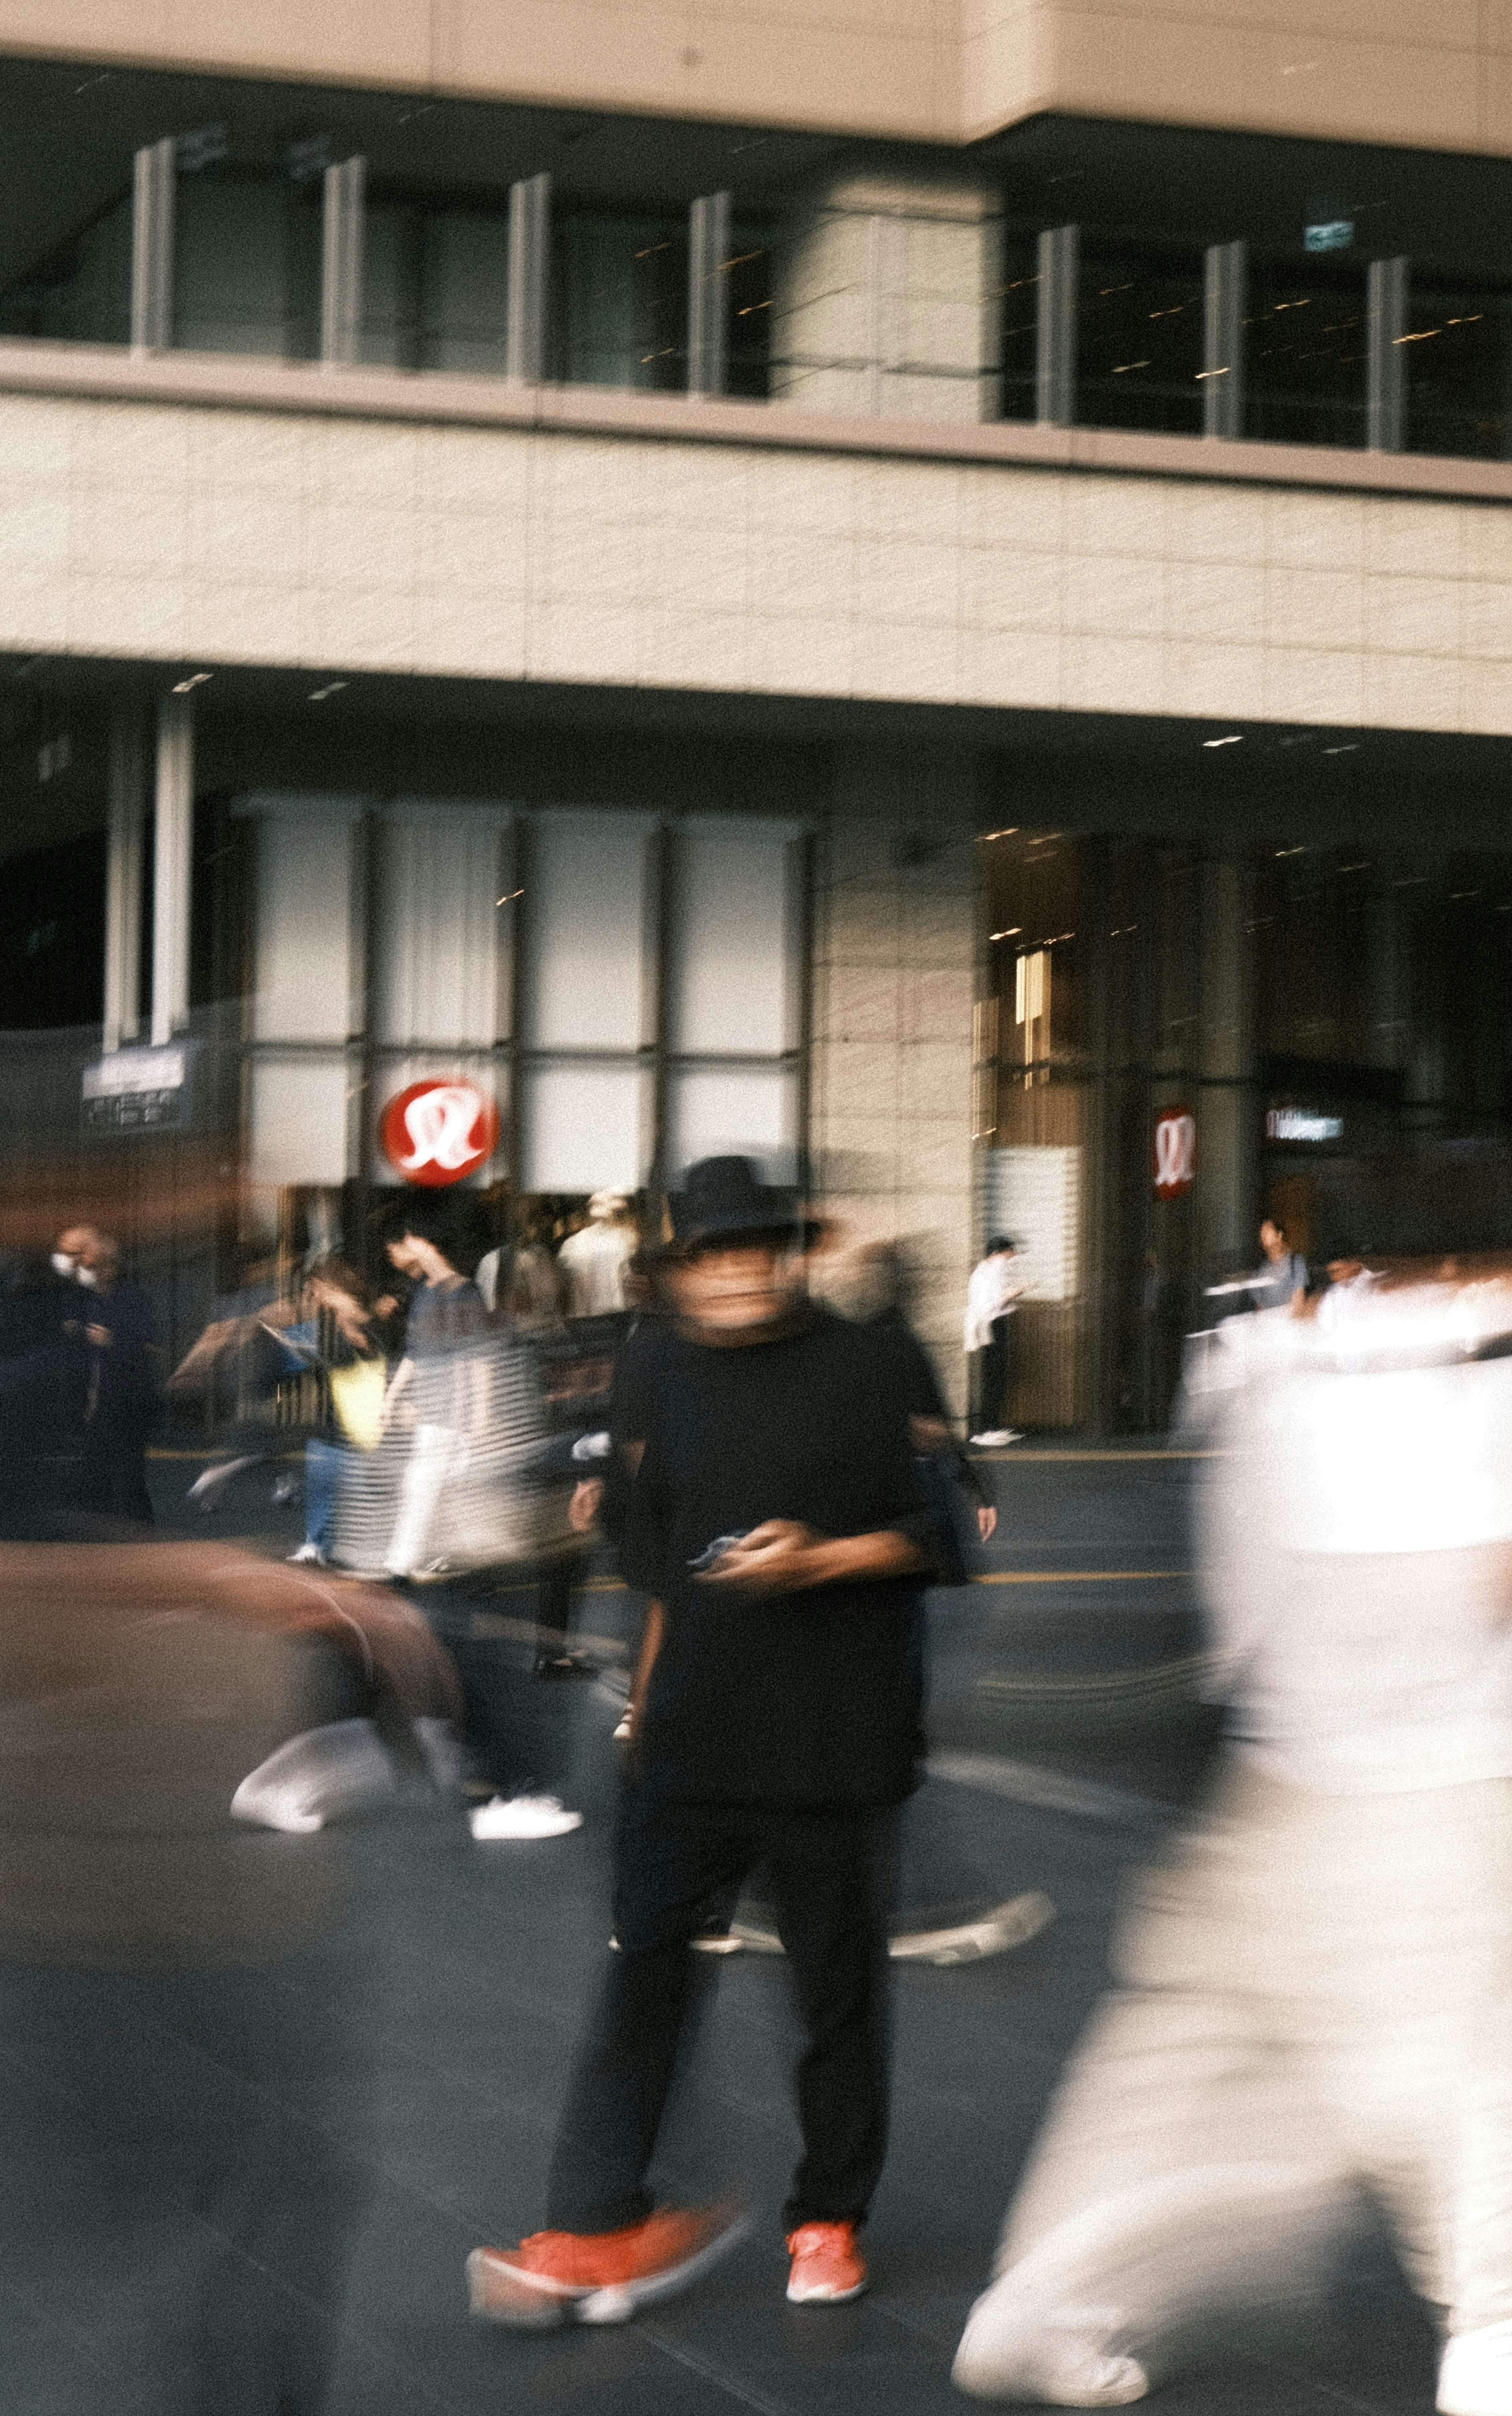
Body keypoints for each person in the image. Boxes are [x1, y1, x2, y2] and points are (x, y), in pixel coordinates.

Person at [955, 1257, 1512, 2416]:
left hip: (1276, 1780)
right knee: (1461, 2074)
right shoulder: (1460, 1397)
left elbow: (1239, 1624)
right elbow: (1478, 1583)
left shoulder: (1278, 1387)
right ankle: (1492, 2328)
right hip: (1433, 1791)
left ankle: (1045, 2299)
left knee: (1185, 2054)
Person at [467, 1154, 935, 2325]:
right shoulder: (651, 1363)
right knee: (643, 1974)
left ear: (785, 1254)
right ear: (675, 1271)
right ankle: (597, 2219)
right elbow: (651, 1550)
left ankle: (827, 2216)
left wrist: (818, 1556)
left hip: (834, 1733)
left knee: (835, 1989)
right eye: (707, 1255)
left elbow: (940, 1525)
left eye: (751, 1250)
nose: (731, 1274)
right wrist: (641, 1699)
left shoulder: (867, 1361)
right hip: (689, 1735)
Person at [72, 1232, 158, 1525]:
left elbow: (152, 1346)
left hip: (132, 1401)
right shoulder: (91, 1302)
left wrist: (113, 1340)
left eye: (94, 1265)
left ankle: (144, 1534)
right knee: (96, 1475)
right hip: (104, 1401)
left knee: (129, 1476)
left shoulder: (132, 1299)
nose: (89, 1272)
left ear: (110, 1268)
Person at [965, 1236, 1026, 1447]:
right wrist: (1012, 1294)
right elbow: (989, 1305)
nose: (1012, 1258)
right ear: (997, 1254)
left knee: (999, 1376)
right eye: (1009, 1254)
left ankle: (993, 1427)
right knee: (992, 1377)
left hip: (997, 1324)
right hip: (991, 1326)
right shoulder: (986, 1274)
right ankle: (984, 1431)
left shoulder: (992, 1271)